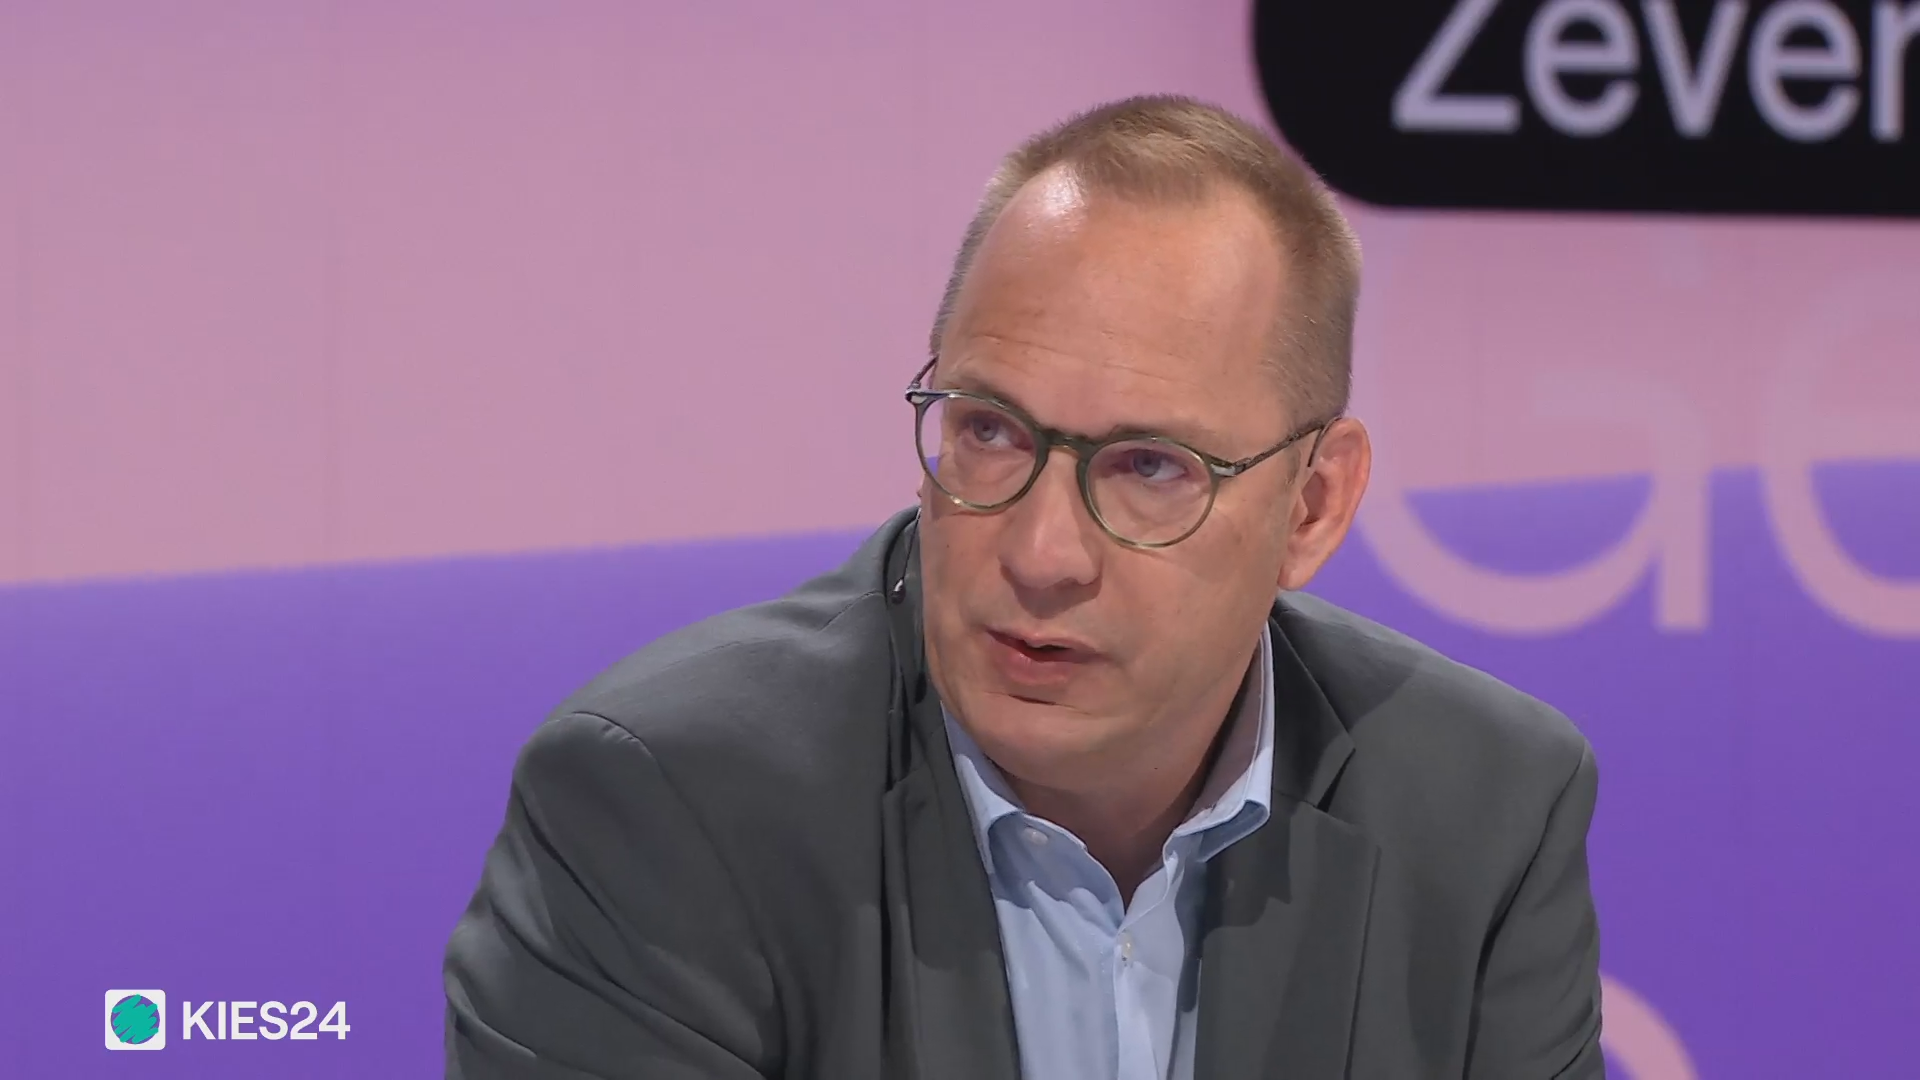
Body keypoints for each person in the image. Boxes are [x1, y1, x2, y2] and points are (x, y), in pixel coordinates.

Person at [443, 95, 1604, 1080]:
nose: (1042, 553)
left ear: (1312, 506)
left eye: (1150, 466)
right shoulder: (672, 802)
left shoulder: (1485, 812)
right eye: (990, 431)